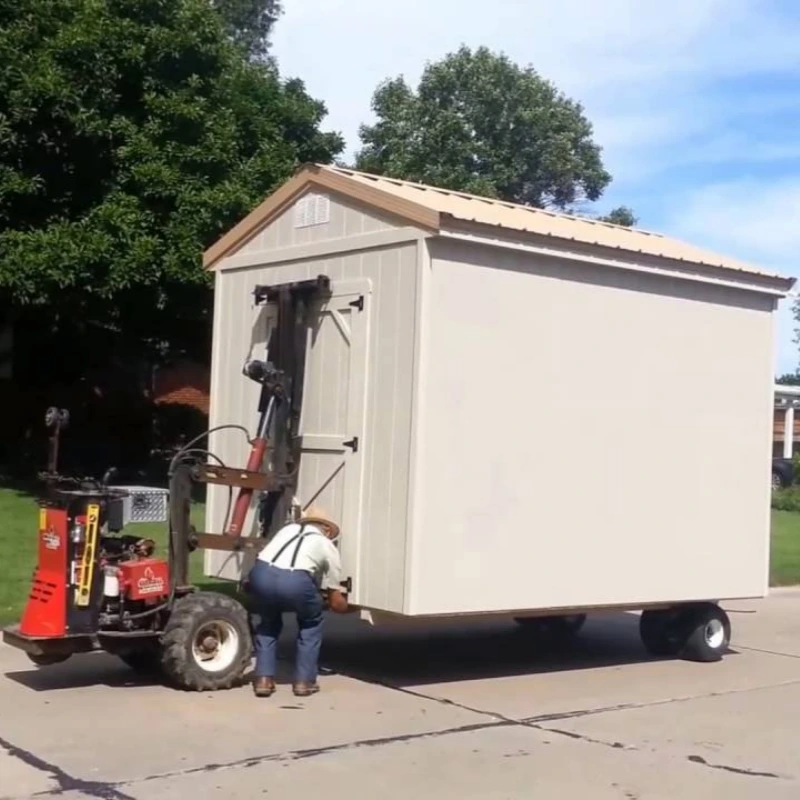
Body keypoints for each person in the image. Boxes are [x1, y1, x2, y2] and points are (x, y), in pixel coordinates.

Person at [247, 507, 349, 697]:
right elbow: (335, 599)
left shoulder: (286, 530)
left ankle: (263, 679)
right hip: (295, 581)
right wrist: (345, 606)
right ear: (326, 529)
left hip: (261, 574)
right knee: (311, 623)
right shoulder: (326, 545)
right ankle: (304, 681)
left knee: (268, 623)